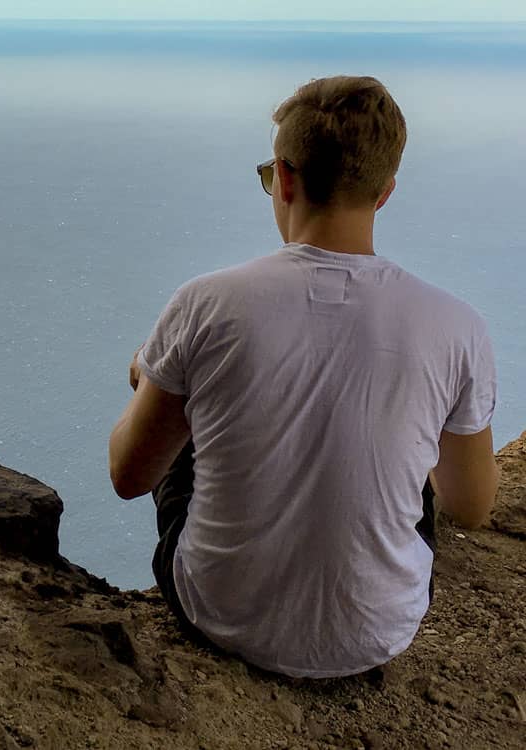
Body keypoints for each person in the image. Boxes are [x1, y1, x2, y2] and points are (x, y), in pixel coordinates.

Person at [108, 76, 499, 678]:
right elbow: (470, 507)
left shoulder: (207, 302)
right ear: (385, 192)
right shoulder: (458, 327)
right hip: (378, 633)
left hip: (218, 616)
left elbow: (130, 476)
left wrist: (150, 373)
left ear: (285, 179)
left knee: (188, 416)